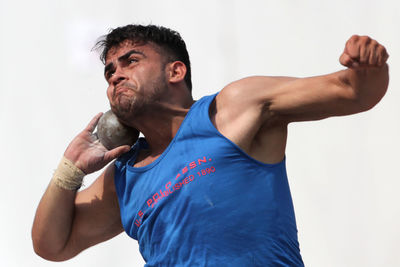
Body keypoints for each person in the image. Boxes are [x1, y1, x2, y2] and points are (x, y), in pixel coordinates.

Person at [32, 24, 389, 266]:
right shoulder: (125, 176)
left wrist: (368, 65)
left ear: (176, 71)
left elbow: (353, 92)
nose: (116, 75)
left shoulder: (232, 110)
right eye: (109, 72)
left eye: (131, 61)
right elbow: (52, 244)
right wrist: (71, 168)